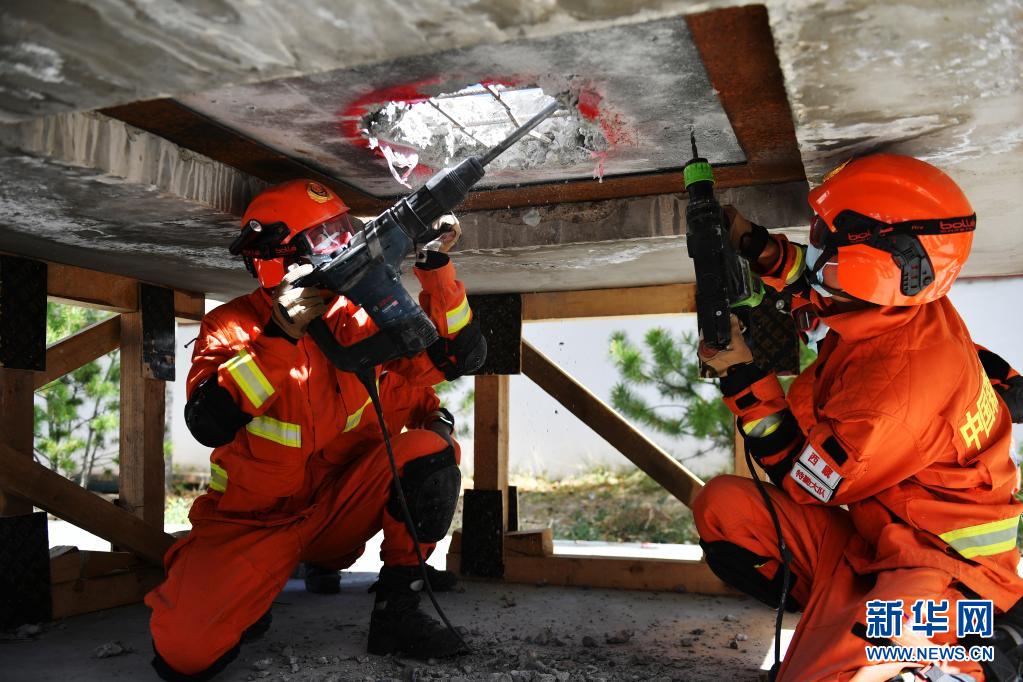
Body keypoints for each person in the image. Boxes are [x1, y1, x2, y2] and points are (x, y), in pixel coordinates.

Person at [691, 155, 1023, 681]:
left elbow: (803, 475)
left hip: (945, 573)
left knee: (841, 669)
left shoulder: (890, 397)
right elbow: (825, 285)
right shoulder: (897, 302)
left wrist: (741, 375)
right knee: (725, 511)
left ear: (869, 263)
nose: (813, 240)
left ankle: (963, 655)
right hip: (876, 540)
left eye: (822, 233)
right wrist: (754, 244)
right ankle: (838, 620)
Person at [145, 179, 484, 679]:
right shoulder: (231, 327)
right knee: (184, 655)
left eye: (342, 234)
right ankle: (229, 584)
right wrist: (279, 336)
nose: (343, 249)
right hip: (253, 526)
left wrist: (435, 266)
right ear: (274, 261)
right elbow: (208, 422)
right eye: (326, 239)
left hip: (337, 518)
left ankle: (399, 609)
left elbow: (458, 356)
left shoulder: (360, 315)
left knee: (432, 449)